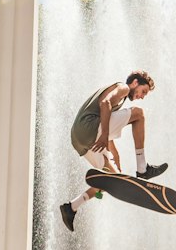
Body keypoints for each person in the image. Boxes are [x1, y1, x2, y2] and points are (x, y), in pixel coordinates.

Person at [59, 71, 166, 232]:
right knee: (139, 114)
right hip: (89, 128)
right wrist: (103, 135)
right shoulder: (122, 88)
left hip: (80, 139)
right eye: (143, 91)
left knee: (112, 180)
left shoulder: (112, 110)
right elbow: (105, 103)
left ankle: (71, 207)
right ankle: (142, 169)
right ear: (135, 83)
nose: (142, 96)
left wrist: (118, 169)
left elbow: (107, 127)